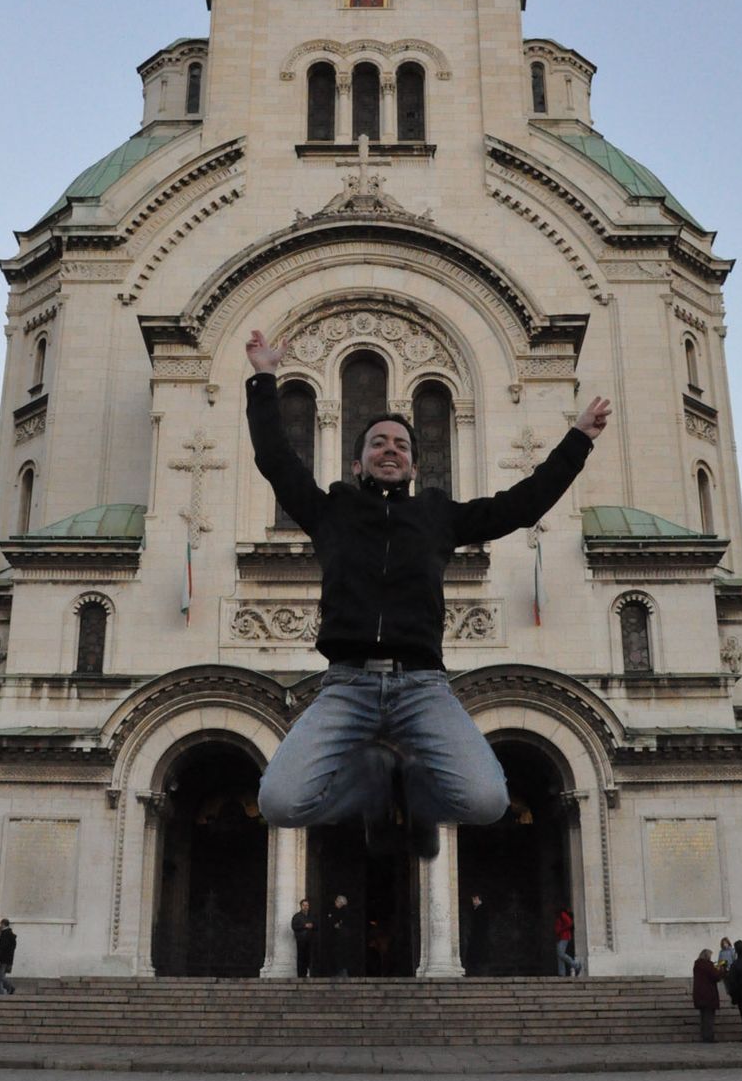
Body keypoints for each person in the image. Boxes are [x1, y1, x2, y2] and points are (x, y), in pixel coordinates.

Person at [246, 330, 611, 859]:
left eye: (401, 445)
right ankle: (374, 784)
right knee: (279, 802)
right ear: (357, 463)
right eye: (378, 443)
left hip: (422, 687)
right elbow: (275, 459)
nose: (389, 450)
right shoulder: (331, 510)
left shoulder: (437, 515)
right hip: (346, 685)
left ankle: (408, 791)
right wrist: (263, 377)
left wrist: (577, 439)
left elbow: (521, 505)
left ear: (415, 466)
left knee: (487, 800)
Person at [692, 948, 726, 1042]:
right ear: (707, 956)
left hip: (699, 994)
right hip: (709, 994)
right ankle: (709, 1037)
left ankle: (704, 1036)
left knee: (703, 1017)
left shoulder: (697, 965)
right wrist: (721, 970)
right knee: (709, 1017)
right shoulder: (707, 965)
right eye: (710, 955)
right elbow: (715, 976)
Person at [326, 894, 353, 978]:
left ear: (341, 902)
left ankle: (342, 972)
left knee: (340, 954)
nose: (335, 903)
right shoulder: (342, 910)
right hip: (342, 936)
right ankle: (341, 971)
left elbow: (342, 922)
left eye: (337, 901)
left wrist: (338, 924)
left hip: (342, 936)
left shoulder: (344, 910)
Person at [464, 892, 490, 975]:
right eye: (473, 899)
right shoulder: (477, 909)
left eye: (474, 899)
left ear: (478, 899)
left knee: (477, 955)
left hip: (479, 938)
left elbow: (478, 924)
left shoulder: (481, 910)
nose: (473, 901)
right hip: (477, 938)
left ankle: (476, 972)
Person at [290, 898, 316, 978]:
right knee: (301, 957)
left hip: (310, 940)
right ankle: (301, 975)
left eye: (307, 905)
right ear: (301, 906)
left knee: (309, 957)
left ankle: (309, 973)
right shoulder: (297, 916)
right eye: (304, 905)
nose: (305, 907)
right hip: (301, 940)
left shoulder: (311, 916)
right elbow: (294, 926)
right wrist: (304, 926)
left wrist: (312, 926)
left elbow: (316, 925)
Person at [555, 905, 582, 976]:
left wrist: (561, 930)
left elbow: (570, 924)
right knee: (560, 955)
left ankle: (576, 965)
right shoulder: (559, 915)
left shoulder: (562, 914)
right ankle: (562, 973)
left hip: (564, 937)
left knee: (561, 954)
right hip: (560, 937)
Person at [0, 918, 16, 996]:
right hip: (6, 959)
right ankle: (1, 990)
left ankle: (9, 988)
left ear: (3, 924)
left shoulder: (5, 934)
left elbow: (2, 948)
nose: (0, 926)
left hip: (2, 960)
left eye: (0, 924)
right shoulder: (10, 934)